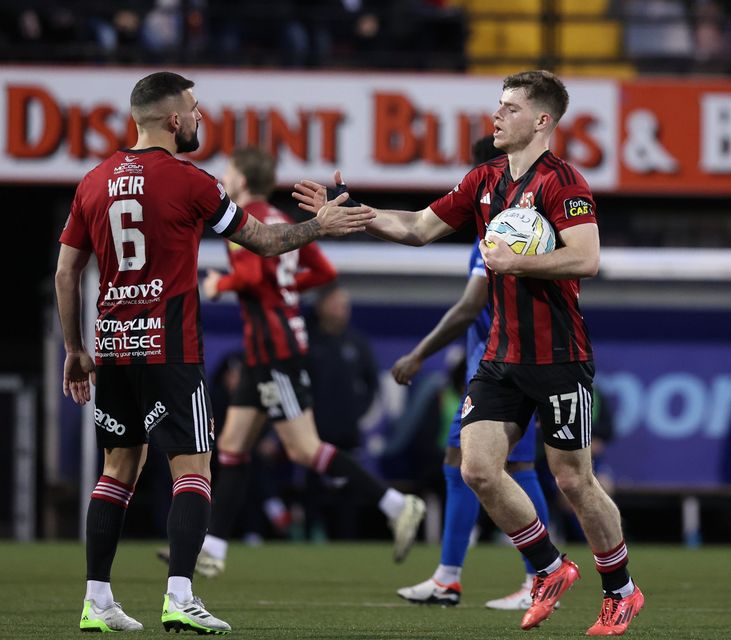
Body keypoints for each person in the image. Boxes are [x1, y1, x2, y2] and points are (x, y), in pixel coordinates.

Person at [293, 70, 644, 636]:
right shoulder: (483, 179)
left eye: (509, 107)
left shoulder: (565, 183)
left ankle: (622, 590)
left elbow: (586, 258)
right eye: (498, 105)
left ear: (542, 120)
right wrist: (353, 211)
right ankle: (550, 567)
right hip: (500, 356)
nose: (496, 116)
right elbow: (416, 228)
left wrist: (518, 262)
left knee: (575, 482)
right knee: (477, 469)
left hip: (558, 356)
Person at [55, 71, 375, 634]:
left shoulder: (93, 181)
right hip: (169, 348)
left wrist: (76, 349)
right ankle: (179, 597)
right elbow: (266, 241)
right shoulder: (192, 182)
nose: (201, 118)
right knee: (194, 470)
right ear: (173, 119)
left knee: (117, 471)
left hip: (111, 346)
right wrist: (319, 225)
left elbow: (65, 271)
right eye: (196, 109)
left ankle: (97, 600)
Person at [156, 146, 425, 578]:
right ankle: (215, 548)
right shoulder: (284, 220)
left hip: (275, 352)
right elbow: (322, 273)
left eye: (228, 171)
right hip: (264, 350)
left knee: (304, 449)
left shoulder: (249, 221)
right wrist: (287, 289)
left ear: (241, 179)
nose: (225, 177)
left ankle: (396, 504)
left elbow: (253, 273)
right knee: (231, 448)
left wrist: (219, 284)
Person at [393, 134, 552, 611]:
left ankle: (540, 577)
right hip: (489, 367)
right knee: (456, 463)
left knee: (518, 467)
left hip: (509, 367)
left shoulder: (506, 235)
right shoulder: (500, 230)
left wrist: (418, 353)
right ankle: (448, 577)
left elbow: (468, 308)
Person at [303, 283, 381, 539]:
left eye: (345, 305)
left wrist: (356, 411)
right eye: (337, 304)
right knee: (313, 489)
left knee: (349, 489)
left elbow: (372, 383)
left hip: (347, 432)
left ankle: (346, 540)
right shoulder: (307, 340)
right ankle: (310, 536)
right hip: (314, 431)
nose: (342, 310)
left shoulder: (356, 342)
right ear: (321, 306)